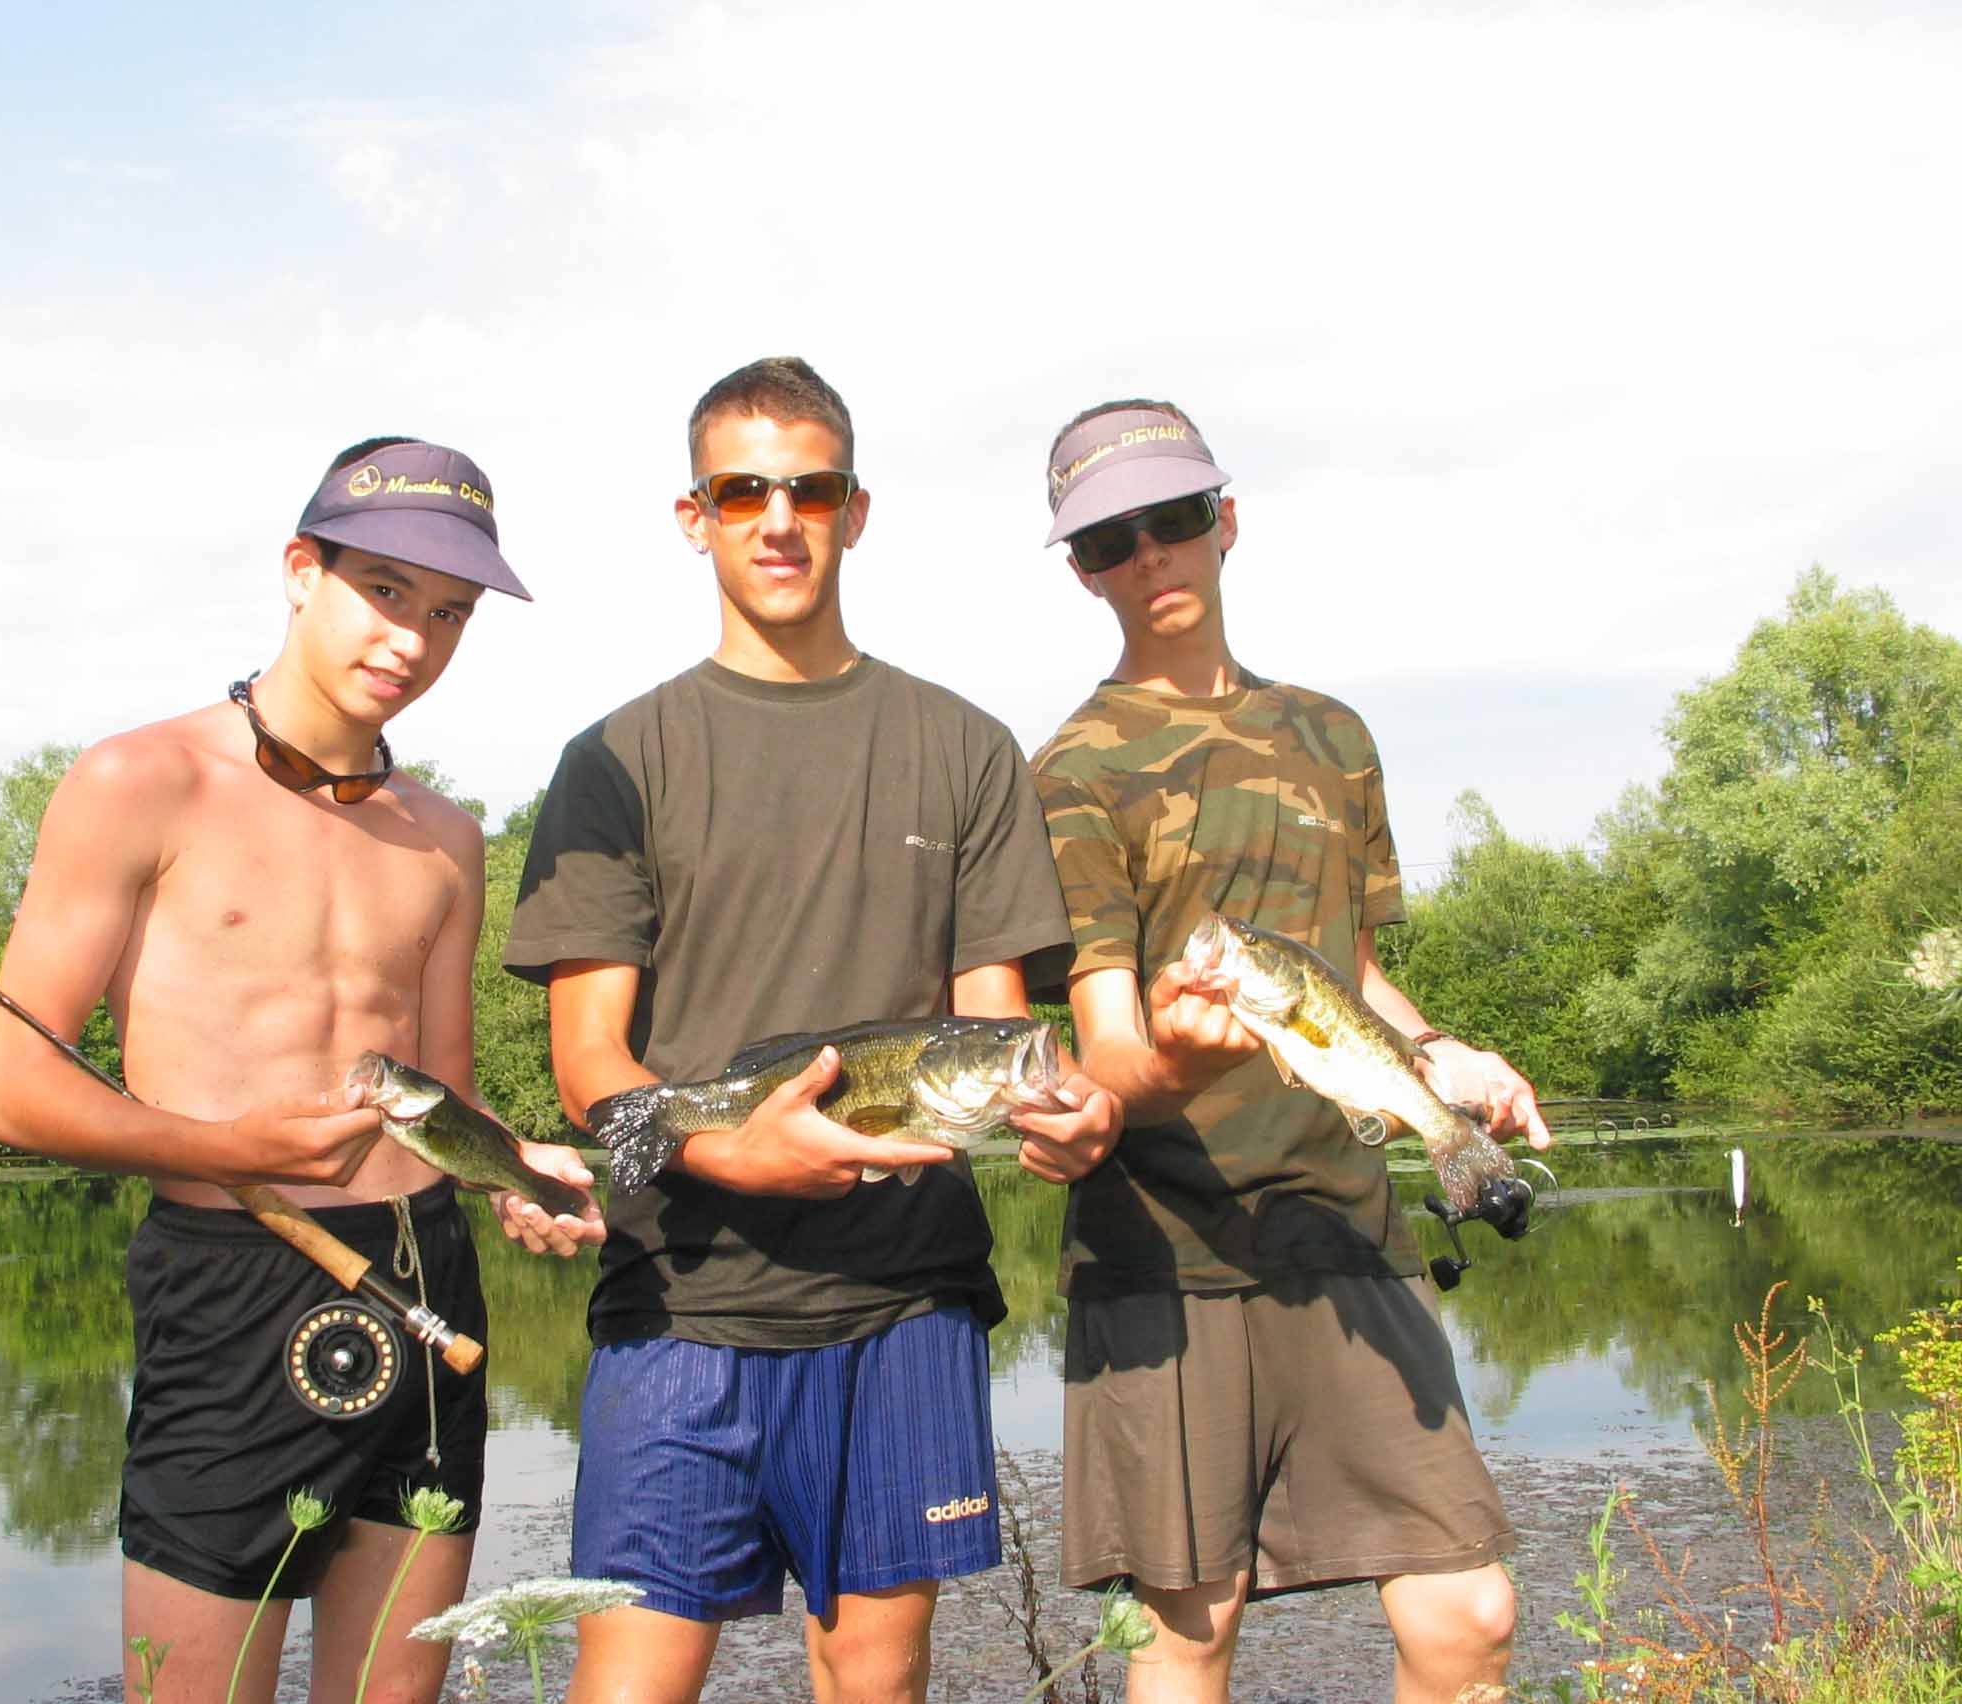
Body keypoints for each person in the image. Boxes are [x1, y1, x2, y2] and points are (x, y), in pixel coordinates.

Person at [502, 357, 1122, 1704]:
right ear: (695, 516)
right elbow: (590, 1065)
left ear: (855, 509)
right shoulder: (619, 759)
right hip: (681, 1303)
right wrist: (730, 1156)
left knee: (874, 1688)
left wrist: (1062, 1116)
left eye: (810, 489)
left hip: (903, 1305)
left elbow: (994, 1036)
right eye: (743, 491)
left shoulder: (963, 749)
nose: (777, 520)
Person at [0, 436, 604, 1704]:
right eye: (383, 590)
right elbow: (11, 1091)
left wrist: (511, 1165)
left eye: (447, 615)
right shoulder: (138, 782)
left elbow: (442, 1090)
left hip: (427, 1280)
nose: (411, 640)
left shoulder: (445, 838)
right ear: (299, 569)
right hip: (229, 1285)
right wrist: (223, 1149)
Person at [1026, 399, 1556, 1704]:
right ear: (1083, 569)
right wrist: (1184, 1064)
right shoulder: (1070, 775)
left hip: (1347, 1222)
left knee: (1469, 1615)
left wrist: (1439, 1054)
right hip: (1166, 1248)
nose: (1151, 557)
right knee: (1188, 1634)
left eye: (1175, 519)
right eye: (1111, 541)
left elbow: (1355, 972)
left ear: (1228, 519)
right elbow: (1103, 1050)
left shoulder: (1335, 738)